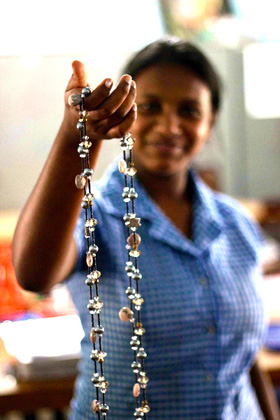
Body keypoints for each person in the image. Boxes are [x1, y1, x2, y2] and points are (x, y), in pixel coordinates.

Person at [12, 37, 275, 419]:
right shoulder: (97, 214)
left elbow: (242, 358)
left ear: (210, 122)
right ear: (125, 111)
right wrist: (74, 140)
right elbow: (34, 274)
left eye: (189, 110)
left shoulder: (235, 223)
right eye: (150, 107)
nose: (169, 126)